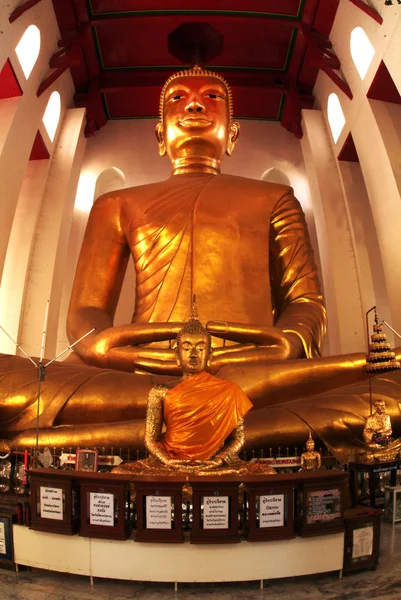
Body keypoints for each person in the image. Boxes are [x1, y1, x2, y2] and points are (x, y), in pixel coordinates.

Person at [0, 65, 397, 459]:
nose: (194, 106)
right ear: (160, 135)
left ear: (233, 134)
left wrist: (288, 343)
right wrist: (104, 347)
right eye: (178, 98)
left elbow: (305, 303)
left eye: (212, 97)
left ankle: (158, 421)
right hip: (142, 374)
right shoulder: (115, 204)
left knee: (390, 381)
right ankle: (226, 423)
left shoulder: (276, 197)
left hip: (252, 372)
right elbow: (87, 312)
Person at [113, 304, 275, 475]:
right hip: (171, 461)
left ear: (210, 356)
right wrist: (169, 461)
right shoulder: (160, 392)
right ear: (177, 356)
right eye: (187, 347)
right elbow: (151, 440)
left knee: (266, 473)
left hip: (214, 463)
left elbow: (237, 438)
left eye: (200, 348)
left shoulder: (229, 391)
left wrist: (218, 460)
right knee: (120, 472)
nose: (193, 354)